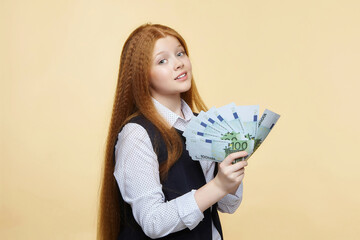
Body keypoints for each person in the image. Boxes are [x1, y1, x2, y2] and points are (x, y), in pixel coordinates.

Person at [98, 23, 248, 240]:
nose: (178, 63)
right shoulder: (137, 134)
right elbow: (152, 221)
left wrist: (231, 177)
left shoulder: (204, 124)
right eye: (162, 60)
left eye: (180, 53)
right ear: (142, 76)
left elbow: (227, 206)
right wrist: (218, 185)